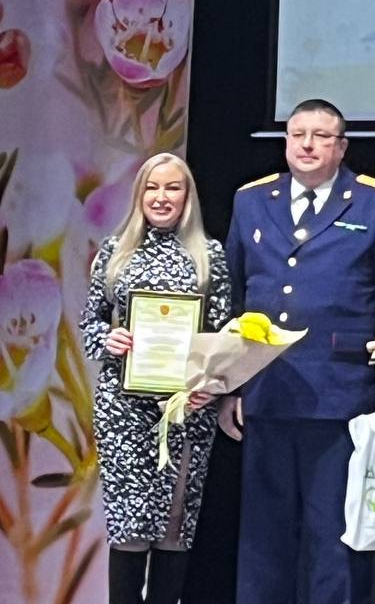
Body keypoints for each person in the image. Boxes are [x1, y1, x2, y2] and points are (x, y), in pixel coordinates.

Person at [220, 97, 375, 604]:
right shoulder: (251, 200)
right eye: (297, 134)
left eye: (321, 136)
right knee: (263, 541)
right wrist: (229, 386)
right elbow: (235, 296)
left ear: (341, 147)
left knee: (333, 540)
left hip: (341, 395)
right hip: (266, 392)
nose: (306, 145)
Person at [80, 152, 232, 604]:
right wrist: (108, 338)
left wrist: (210, 386)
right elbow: (90, 323)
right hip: (122, 409)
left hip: (185, 411)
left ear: (188, 197)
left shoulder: (210, 255)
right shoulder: (114, 251)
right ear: (139, 194)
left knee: (173, 527)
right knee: (128, 526)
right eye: (152, 187)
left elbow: (222, 335)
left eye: (173, 188)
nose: (161, 197)